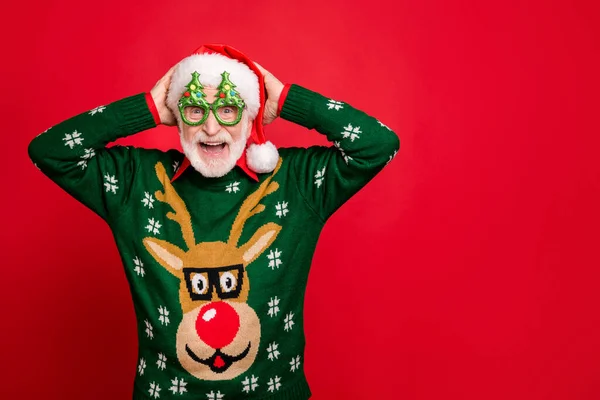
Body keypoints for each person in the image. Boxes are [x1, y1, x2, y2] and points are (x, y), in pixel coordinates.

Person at [28, 44, 400, 400]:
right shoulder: (135, 181)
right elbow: (49, 151)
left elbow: (378, 144)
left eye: (227, 109)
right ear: (177, 117)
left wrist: (286, 99)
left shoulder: (296, 181)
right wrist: (146, 107)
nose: (210, 128)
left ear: (251, 116)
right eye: (194, 110)